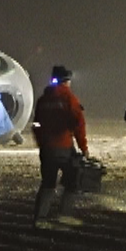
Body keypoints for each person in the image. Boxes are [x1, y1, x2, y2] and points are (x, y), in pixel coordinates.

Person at [31, 65, 89, 228]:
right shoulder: (69, 98)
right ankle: (64, 214)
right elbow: (79, 124)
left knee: (48, 183)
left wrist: (42, 143)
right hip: (63, 147)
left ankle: (40, 218)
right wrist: (83, 147)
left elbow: (36, 124)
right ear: (67, 81)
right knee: (73, 180)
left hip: (47, 148)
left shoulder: (43, 100)